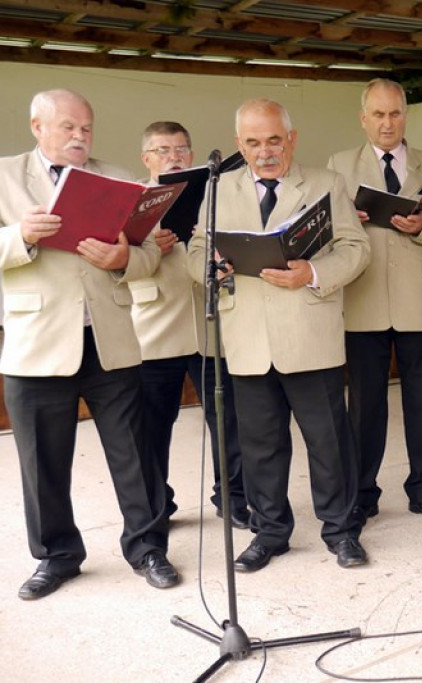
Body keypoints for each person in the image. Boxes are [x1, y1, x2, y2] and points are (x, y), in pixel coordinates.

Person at [0, 89, 180, 599]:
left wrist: (123, 259)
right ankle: (57, 558)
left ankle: (148, 549)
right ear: (37, 126)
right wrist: (19, 236)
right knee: (42, 462)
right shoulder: (4, 176)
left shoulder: (121, 179)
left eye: (86, 128)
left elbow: (150, 254)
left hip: (109, 338)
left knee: (135, 454)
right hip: (36, 343)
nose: (79, 136)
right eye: (67, 127)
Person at [187, 98, 371, 571]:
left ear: (291, 138)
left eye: (274, 140)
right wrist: (207, 266)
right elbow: (196, 249)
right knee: (260, 447)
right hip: (248, 340)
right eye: (252, 142)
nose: (265, 151)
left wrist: (312, 271)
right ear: (238, 145)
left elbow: (356, 248)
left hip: (309, 334)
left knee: (328, 443)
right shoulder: (218, 188)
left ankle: (341, 531)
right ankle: (270, 532)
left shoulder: (326, 184)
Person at [326, 79, 422, 526]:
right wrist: (347, 220)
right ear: (363, 118)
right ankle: (363, 492)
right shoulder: (338, 167)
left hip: (417, 297)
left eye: (395, 113)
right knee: (364, 403)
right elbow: (322, 235)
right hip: (362, 298)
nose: (387, 123)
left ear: (406, 115)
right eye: (378, 115)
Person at [130, 121, 250, 530]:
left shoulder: (213, 198)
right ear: (146, 158)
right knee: (153, 425)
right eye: (163, 150)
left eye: (182, 149)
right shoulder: (132, 200)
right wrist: (144, 246)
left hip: (207, 320)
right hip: (154, 325)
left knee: (226, 418)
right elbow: (110, 266)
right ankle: (157, 505)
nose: (174, 157)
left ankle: (233, 497)